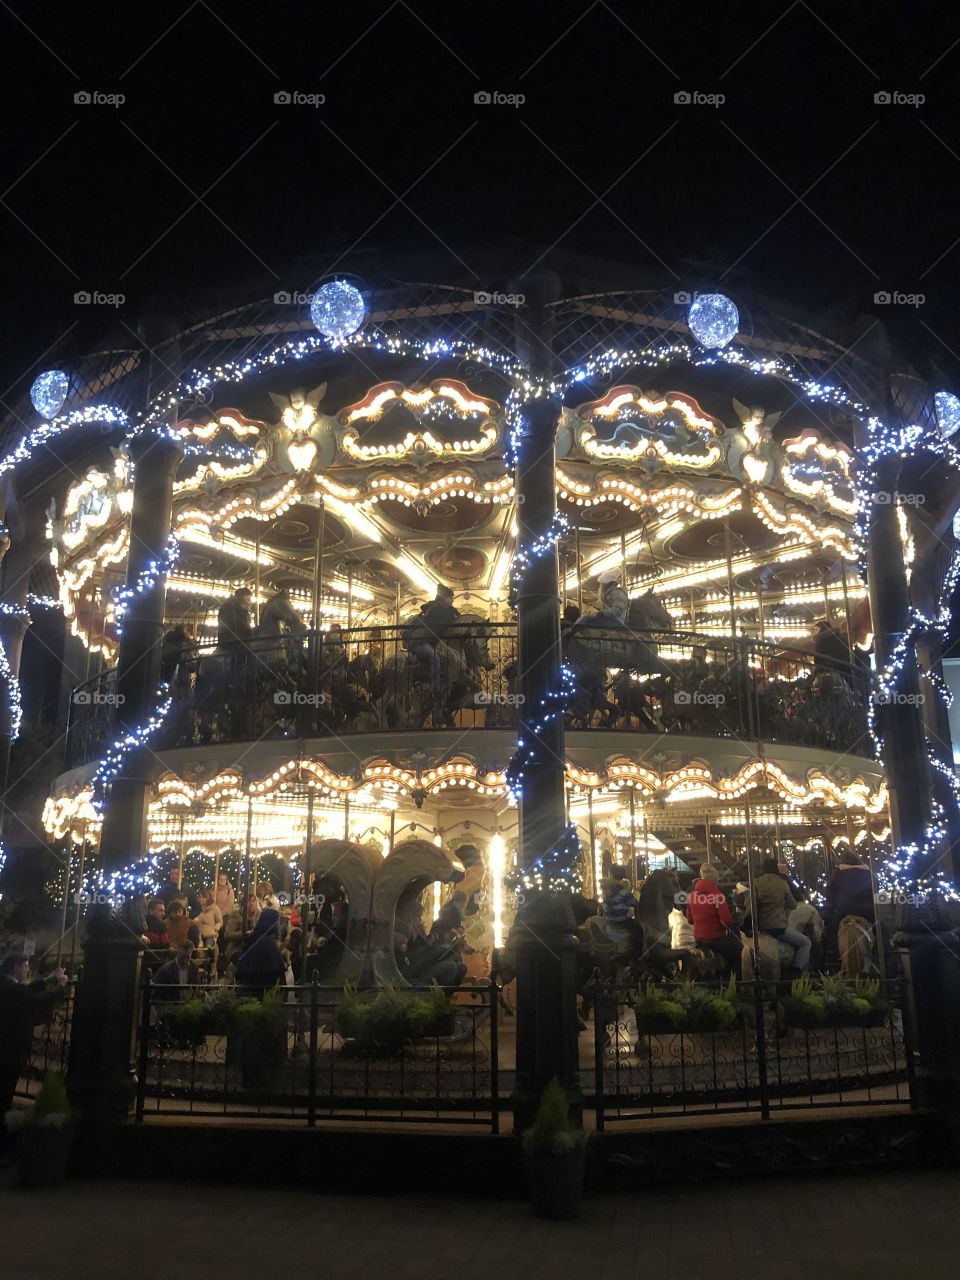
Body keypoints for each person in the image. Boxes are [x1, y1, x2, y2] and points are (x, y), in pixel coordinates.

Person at [0, 954, 68, 1131]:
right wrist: (60, 987)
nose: (28, 970)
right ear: (16, 967)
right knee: (5, 1093)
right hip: (10, 1050)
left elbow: (26, 990)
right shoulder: (14, 990)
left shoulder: (6, 985)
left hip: (6, 1048)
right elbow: (36, 1001)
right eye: (26, 966)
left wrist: (47, 979)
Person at [745, 858, 811, 975]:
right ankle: (797, 970)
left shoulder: (755, 882)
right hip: (777, 928)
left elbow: (748, 904)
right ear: (776, 868)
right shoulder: (782, 883)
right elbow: (792, 905)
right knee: (806, 943)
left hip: (759, 927)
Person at [407, 585, 459, 723]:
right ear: (444, 598)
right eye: (450, 598)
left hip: (427, 640)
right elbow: (438, 625)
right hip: (419, 641)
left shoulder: (441, 609)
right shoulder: (435, 609)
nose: (452, 601)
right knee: (434, 657)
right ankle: (435, 687)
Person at [825, 851, 877, 976]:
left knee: (831, 934)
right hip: (866, 911)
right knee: (881, 933)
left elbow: (829, 893)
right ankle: (879, 959)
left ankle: (833, 963)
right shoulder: (869, 873)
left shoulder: (838, 872)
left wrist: (834, 904)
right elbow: (876, 891)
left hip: (844, 910)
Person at [686, 864, 741, 977]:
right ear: (715, 880)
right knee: (739, 950)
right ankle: (733, 981)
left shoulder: (692, 895)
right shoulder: (718, 895)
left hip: (698, 939)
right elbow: (725, 921)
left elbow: (690, 920)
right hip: (715, 939)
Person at [236, 908, 286, 999]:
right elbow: (278, 975)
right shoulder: (269, 943)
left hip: (247, 992)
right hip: (263, 994)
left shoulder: (252, 938)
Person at [218, 586, 253, 652]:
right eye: (248, 599)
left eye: (250, 599)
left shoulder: (242, 610)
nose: (250, 602)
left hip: (238, 640)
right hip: (231, 642)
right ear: (241, 597)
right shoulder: (230, 607)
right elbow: (239, 625)